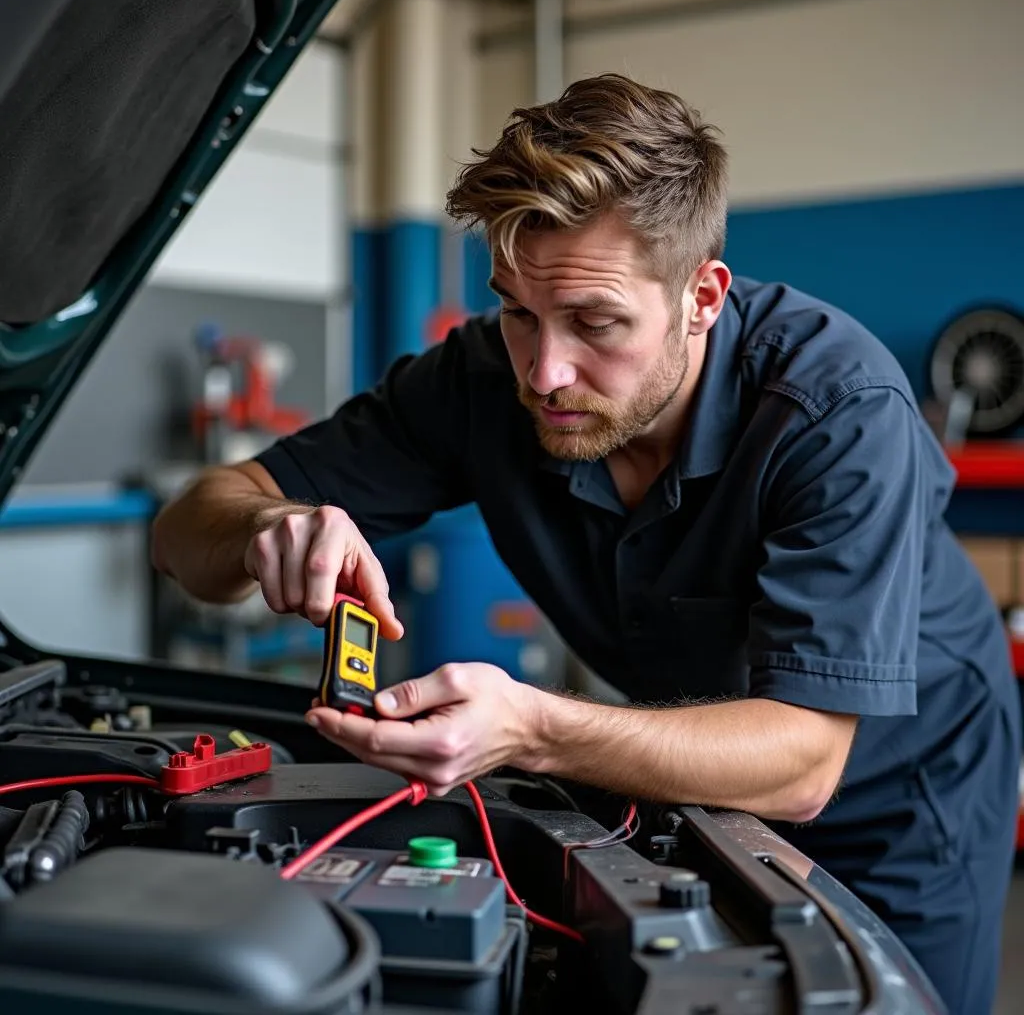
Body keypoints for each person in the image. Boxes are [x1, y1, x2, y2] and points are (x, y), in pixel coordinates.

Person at [151, 73, 1020, 1014]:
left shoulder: (839, 410)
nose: (546, 372)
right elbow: (185, 530)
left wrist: (531, 726)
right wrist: (266, 523)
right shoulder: (483, 378)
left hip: (903, 792)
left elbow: (804, 763)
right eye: (519, 311)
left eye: (595, 324)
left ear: (703, 297)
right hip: (703, 776)